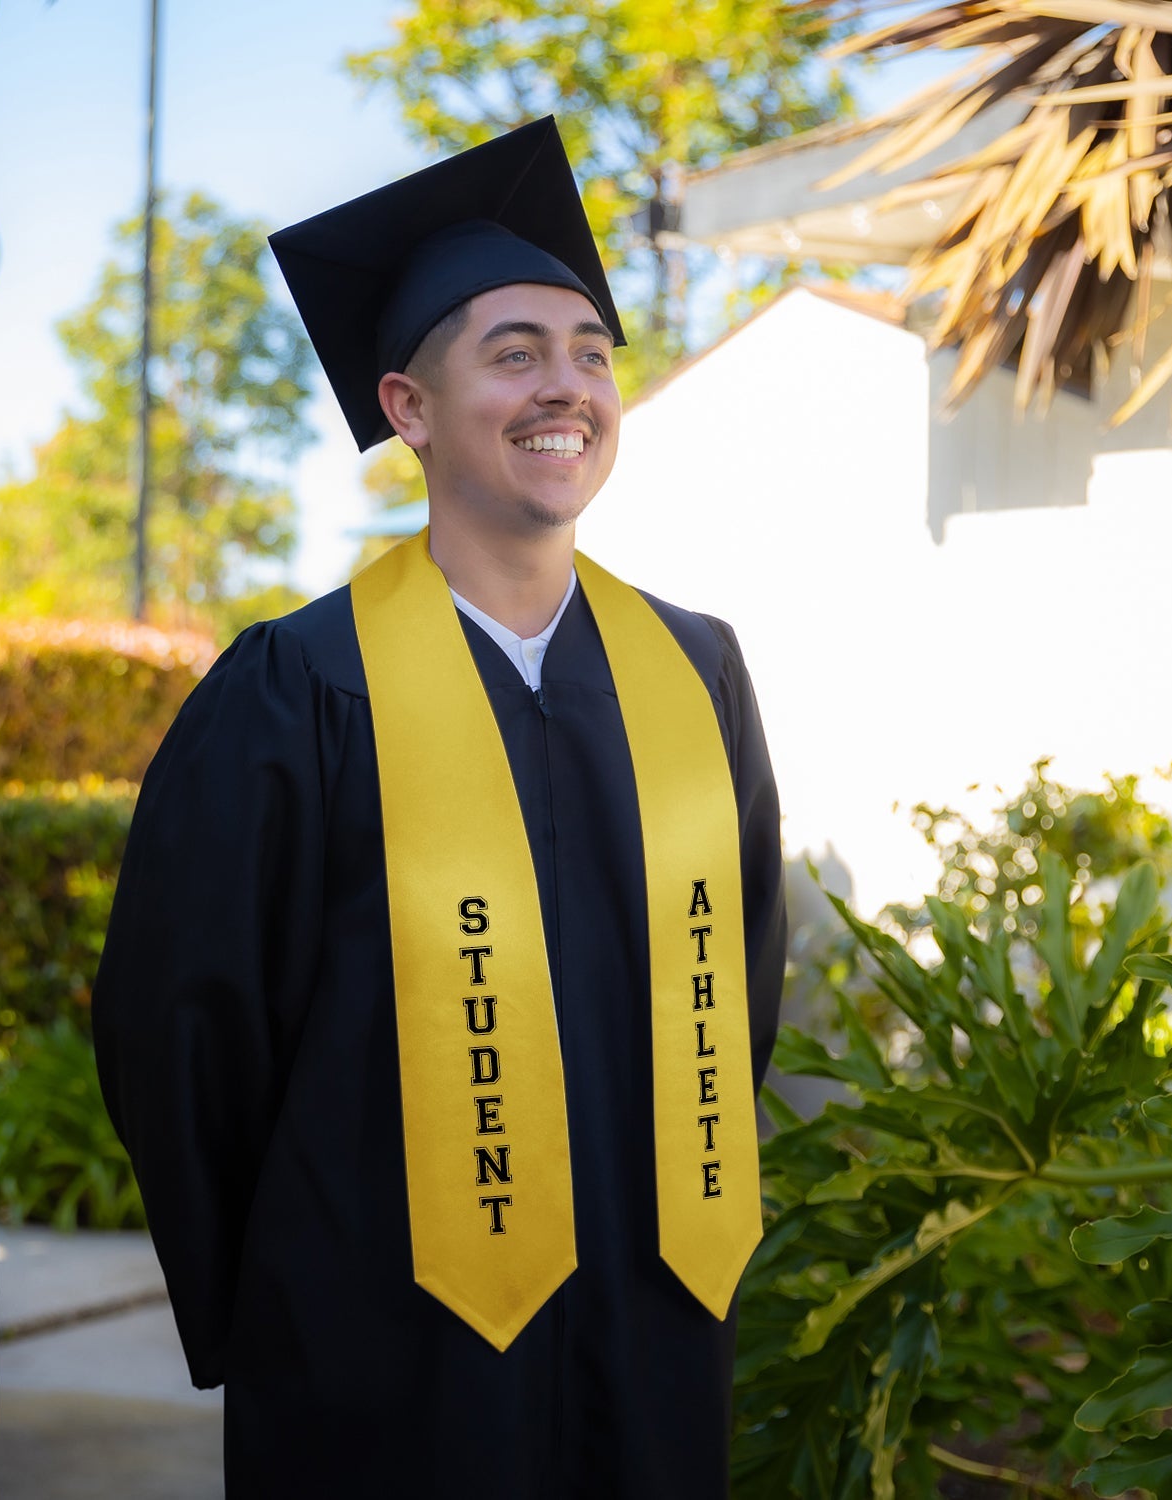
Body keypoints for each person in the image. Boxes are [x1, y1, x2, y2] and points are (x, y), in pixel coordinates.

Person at [93, 117, 787, 1499]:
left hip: (653, 1346)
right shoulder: (297, 687)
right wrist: (294, 1280)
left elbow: (743, 986)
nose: (568, 386)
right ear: (408, 409)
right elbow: (185, 1028)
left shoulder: (696, 669)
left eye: (593, 351)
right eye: (514, 352)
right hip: (378, 1365)